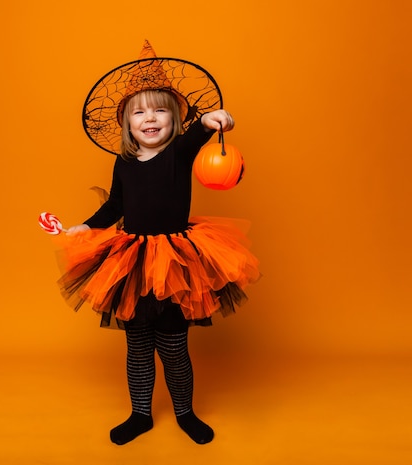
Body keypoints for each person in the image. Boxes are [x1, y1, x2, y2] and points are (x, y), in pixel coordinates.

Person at [56, 41, 260, 445]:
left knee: (173, 345)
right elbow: (115, 204)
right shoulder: (124, 162)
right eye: (139, 112)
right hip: (130, 262)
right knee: (137, 347)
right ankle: (141, 414)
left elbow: (198, 135)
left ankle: (185, 412)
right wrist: (86, 226)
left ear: (176, 118)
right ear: (128, 124)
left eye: (160, 109)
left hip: (176, 261)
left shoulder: (179, 154)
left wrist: (216, 120)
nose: (150, 118)